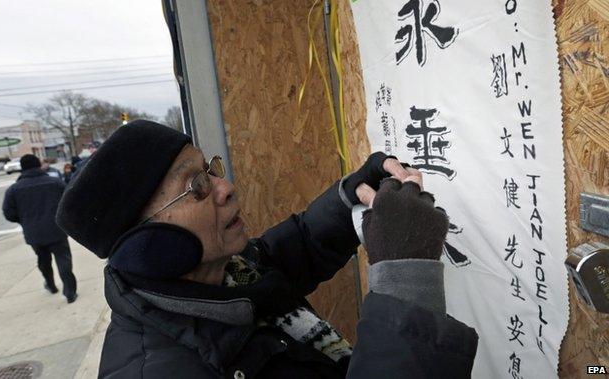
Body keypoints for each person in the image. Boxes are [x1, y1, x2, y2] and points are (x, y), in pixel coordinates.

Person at [56, 121, 478, 378]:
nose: (225, 188)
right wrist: (405, 274)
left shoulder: (227, 277)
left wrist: (349, 196)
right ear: (145, 244)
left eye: (210, 170)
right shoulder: (162, 369)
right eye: (196, 187)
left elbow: (295, 248)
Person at [2, 154, 78, 303]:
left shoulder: (14, 189)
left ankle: (50, 284)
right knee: (64, 261)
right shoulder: (55, 183)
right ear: (39, 165)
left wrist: (24, 220)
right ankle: (70, 292)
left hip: (34, 232)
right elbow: (69, 203)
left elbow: (9, 213)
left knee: (43, 261)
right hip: (56, 229)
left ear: (22, 168)